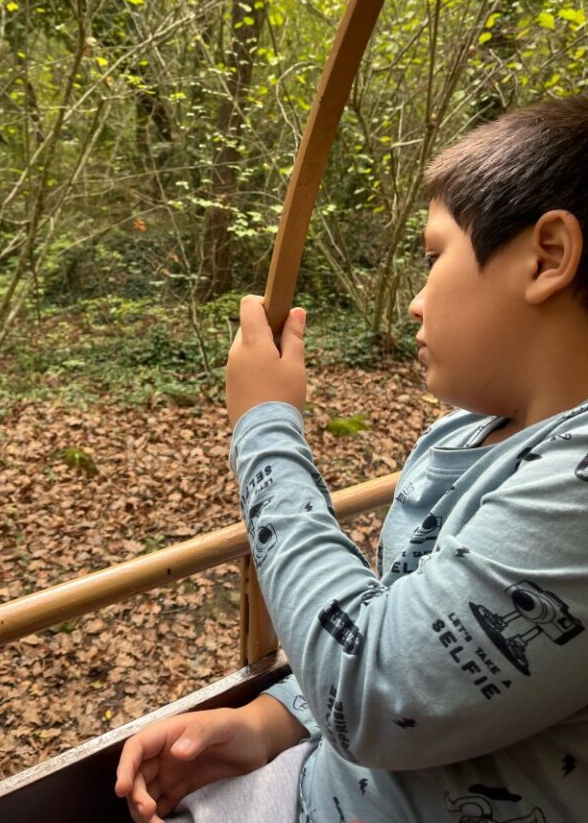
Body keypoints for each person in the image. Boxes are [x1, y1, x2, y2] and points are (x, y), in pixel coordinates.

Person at [115, 97, 588, 823]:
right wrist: (269, 723)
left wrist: (265, 429)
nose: (416, 303)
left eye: (433, 258)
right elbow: (413, 627)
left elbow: (374, 686)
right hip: (323, 782)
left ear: (547, 256)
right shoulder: (470, 434)